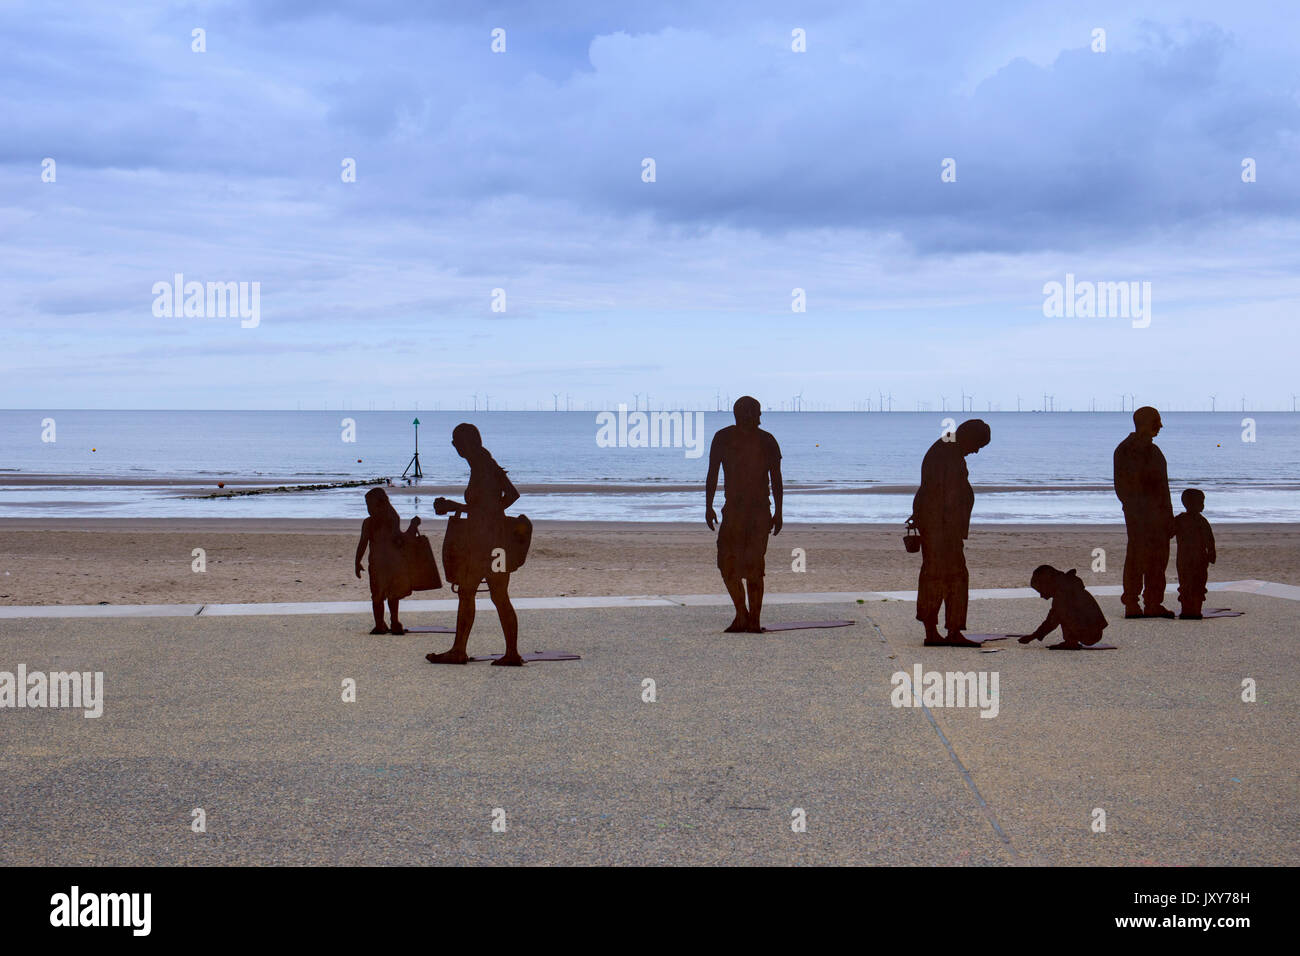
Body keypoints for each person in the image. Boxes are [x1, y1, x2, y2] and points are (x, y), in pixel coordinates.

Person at [426, 424, 523, 666]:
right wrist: (495, 516)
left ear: (466, 443)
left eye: (455, 441)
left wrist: (454, 506)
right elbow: (511, 495)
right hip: (498, 541)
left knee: (468, 593)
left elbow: (486, 507)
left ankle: (459, 650)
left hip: (481, 543)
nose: (453, 446)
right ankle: (511, 652)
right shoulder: (487, 463)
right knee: (500, 596)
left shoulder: (481, 467)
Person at [705, 396, 783, 632]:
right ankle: (742, 614)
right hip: (734, 512)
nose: (760, 418)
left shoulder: (767, 441)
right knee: (727, 564)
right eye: (756, 413)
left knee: (754, 566)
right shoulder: (723, 438)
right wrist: (708, 506)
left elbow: (776, 480)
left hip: (758, 511)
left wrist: (779, 512)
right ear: (745, 414)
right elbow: (712, 474)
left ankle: (754, 619)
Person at [910, 419, 990, 646]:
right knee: (944, 576)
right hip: (941, 529)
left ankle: (946, 630)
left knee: (944, 576)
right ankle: (940, 631)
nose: (975, 451)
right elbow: (944, 495)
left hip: (942, 527)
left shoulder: (947, 448)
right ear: (969, 437)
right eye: (977, 445)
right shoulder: (947, 452)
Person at [1113, 406, 1175, 618]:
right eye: (1156, 421)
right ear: (1146, 423)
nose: (1160, 426)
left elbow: (1164, 489)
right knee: (1136, 558)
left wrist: (1168, 518)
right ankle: (1131, 602)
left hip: (1158, 518)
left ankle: (1153, 602)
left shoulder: (1155, 452)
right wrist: (1138, 511)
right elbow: (1122, 488)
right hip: (1139, 517)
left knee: (1158, 561)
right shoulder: (1124, 450)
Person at [354, 487, 422, 635]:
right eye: (367, 505)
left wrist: (357, 562)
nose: (368, 508)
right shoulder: (391, 520)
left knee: (381, 595)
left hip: (381, 564)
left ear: (379, 504)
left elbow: (363, 543)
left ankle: (384, 623)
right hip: (390, 563)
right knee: (389, 595)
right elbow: (400, 540)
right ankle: (390, 622)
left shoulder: (373, 522)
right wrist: (413, 526)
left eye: (369, 505)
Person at [1015, 565, 1108, 649]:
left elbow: (1051, 621)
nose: (1041, 596)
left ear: (1047, 585)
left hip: (1089, 634)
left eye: (1041, 591)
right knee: (1060, 611)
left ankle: (1071, 642)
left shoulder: (1063, 595)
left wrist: (1032, 637)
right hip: (1094, 630)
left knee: (1060, 612)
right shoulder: (1068, 586)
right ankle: (1071, 641)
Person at [1173, 488, 1216, 619]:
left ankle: (1193, 609)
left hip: (1192, 558)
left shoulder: (1183, 520)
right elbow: (1210, 539)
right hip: (1191, 558)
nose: (1203, 505)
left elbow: (1210, 539)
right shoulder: (1197, 521)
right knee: (1190, 583)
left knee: (1195, 583)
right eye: (1201, 502)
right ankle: (1190, 609)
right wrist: (1212, 552)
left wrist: (1212, 552)